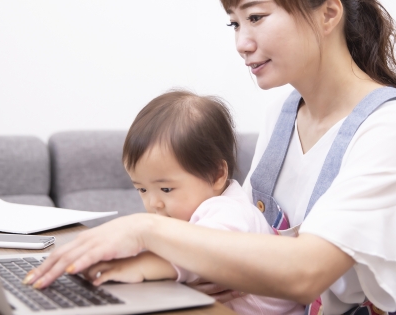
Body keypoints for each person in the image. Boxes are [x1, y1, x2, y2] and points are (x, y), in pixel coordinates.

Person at [24, 0, 396, 314]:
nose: (242, 43)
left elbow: (306, 273)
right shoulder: (282, 112)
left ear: (328, 14)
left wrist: (145, 230)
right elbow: (252, 244)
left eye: (256, 17)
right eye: (235, 23)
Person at [59, 89, 304, 315]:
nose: (154, 203)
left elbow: (203, 252)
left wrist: (138, 266)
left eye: (166, 189)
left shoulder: (228, 211)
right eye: (142, 189)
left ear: (216, 175)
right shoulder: (192, 215)